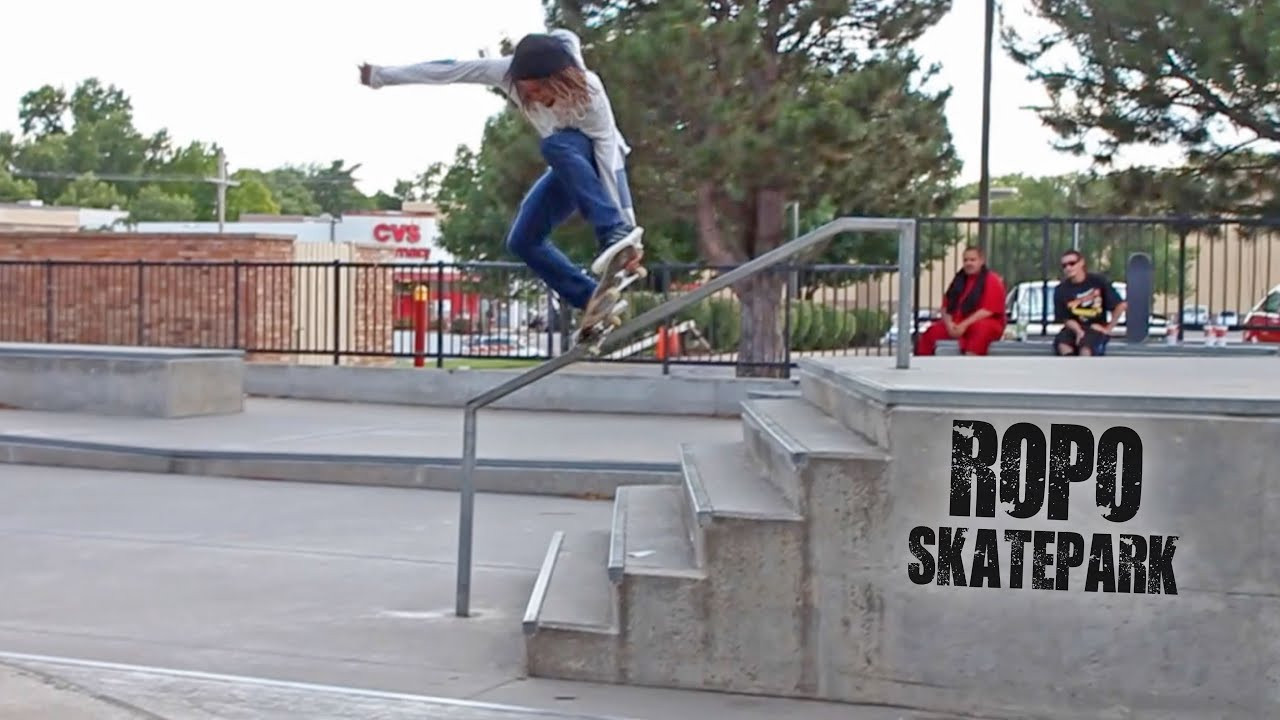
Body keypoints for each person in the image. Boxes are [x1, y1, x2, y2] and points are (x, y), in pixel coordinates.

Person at [358, 29, 643, 317]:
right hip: (566, 168)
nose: (532, 98)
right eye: (526, 92)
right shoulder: (505, 73)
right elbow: (449, 70)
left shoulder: (590, 92)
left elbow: (609, 156)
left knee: (557, 144)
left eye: (538, 91)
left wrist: (625, 232)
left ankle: (611, 230)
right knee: (522, 241)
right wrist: (381, 76)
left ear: (559, 80)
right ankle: (591, 300)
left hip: (593, 161)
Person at [915, 245, 1007, 355]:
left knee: (981, 329)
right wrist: (949, 325)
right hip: (956, 324)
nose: (969, 263)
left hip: (982, 323)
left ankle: (970, 360)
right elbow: (945, 307)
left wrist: (964, 325)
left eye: (972, 260)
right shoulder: (958, 281)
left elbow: (988, 310)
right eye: (965, 260)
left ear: (981, 261)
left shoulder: (992, 280)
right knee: (932, 332)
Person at [1053, 249, 1125, 356]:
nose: (1068, 268)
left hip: (1095, 328)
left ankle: (1085, 370)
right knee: (1063, 344)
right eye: (1064, 266)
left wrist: (1108, 328)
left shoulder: (1098, 281)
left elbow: (1121, 305)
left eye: (1072, 263)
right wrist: (1079, 332)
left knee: (1086, 348)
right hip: (1074, 328)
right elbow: (1065, 318)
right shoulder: (1061, 289)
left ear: (1081, 262)